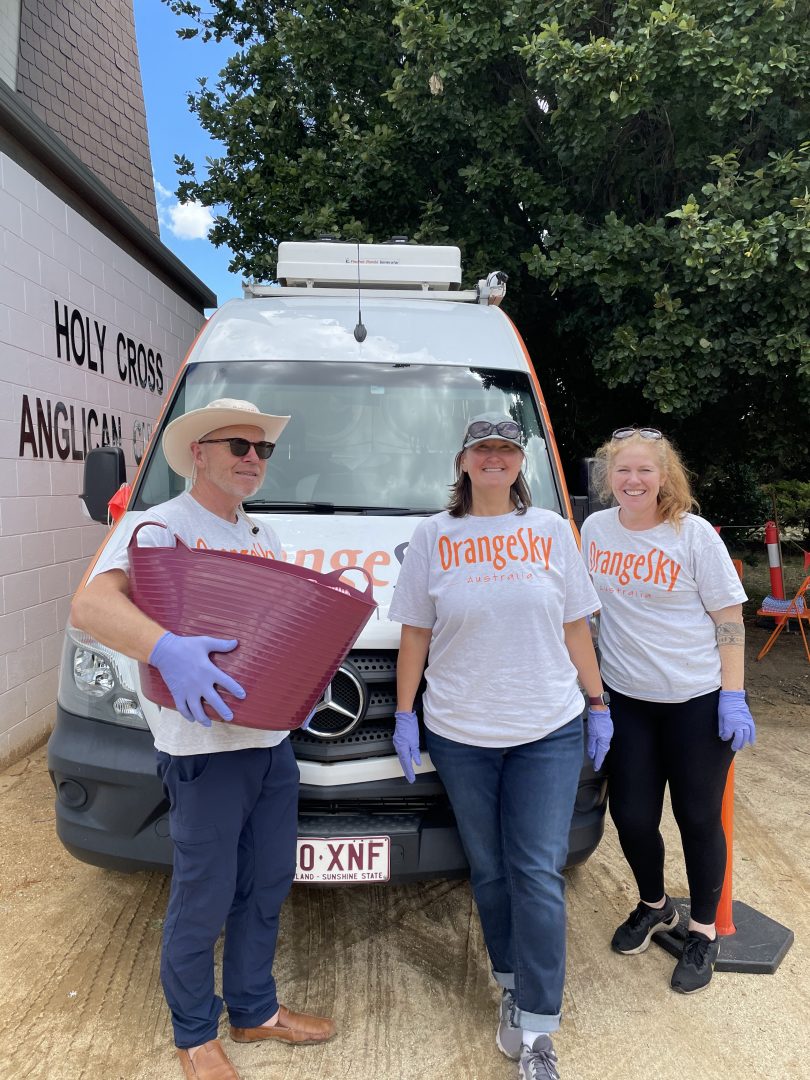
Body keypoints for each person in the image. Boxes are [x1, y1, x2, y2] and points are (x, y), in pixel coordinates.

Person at [70, 399, 336, 1080]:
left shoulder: (262, 536)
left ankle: (254, 1011)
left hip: (268, 742)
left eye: (262, 450)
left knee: (268, 882)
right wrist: (167, 650)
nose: (253, 459)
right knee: (204, 895)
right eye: (238, 447)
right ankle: (194, 1034)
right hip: (200, 749)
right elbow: (91, 605)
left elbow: (273, 636)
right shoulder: (159, 528)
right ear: (199, 453)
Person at [388, 412, 611, 1080]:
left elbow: (575, 624)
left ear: (521, 464)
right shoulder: (433, 536)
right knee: (488, 870)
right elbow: (415, 636)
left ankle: (540, 1028)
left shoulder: (548, 531)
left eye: (506, 450)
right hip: (461, 734)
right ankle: (511, 983)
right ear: (463, 461)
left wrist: (597, 702)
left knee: (537, 872)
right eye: (483, 449)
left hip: (547, 727)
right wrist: (404, 715)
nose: (494, 458)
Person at [580, 426, 755, 994]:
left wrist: (733, 695)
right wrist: (592, 698)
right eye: (623, 471)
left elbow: (729, 617)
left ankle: (703, 932)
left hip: (696, 701)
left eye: (645, 471)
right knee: (630, 816)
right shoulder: (595, 530)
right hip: (627, 700)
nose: (633, 480)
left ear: (665, 477)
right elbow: (583, 613)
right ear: (608, 477)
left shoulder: (692, 535)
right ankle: (655, 905)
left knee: (698, 819)